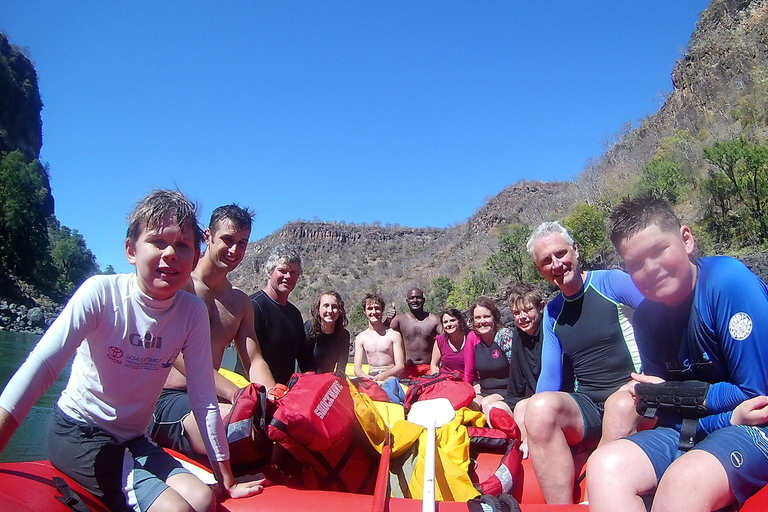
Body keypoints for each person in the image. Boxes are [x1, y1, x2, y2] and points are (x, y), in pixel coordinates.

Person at [0, 190, 263, 512]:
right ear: (130, 249)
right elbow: (41, 367)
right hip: (79, 432)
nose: (170, 254)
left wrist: (227, 479)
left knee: (203, 498)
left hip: (134, 439)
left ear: (195, 256)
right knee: (177, 509)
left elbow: (204, 399)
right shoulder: (102, 293)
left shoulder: (190, 311)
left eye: (182, 245)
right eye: (157, 241)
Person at [587, 196, 768, 512]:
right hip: (695, 427)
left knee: (682, 481)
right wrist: (670, 397)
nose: (650, 269)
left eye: (659, 251)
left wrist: (671, 394)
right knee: (606, 467)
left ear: (686, 239)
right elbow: (665, 405)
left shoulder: (727, 283)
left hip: (756, 428)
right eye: (635, 264)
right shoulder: (645, 318)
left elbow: (757, 397)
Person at [524, 220, 645, 504]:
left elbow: (661, 317)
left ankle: (593, 501)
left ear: (575, 251)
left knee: (620, 404)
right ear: (539, 270)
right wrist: (531, 422)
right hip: (589, 406)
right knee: (537, 408)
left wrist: (654, 375)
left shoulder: (611, 283)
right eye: (546, 261)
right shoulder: (553, 313)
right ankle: (561, 508)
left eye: (561, 253)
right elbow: (551, 378)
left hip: (635, 394)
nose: (556, 264)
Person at [149, 204, 276, 459]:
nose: (234, 250)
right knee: (240, 432)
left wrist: (273, 399)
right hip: (164, 398)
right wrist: (234, 393)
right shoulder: (180, 285)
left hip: (209, 398)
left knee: (277, 430)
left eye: (242, 243)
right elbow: (174, 353)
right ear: (207, 236)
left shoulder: (240, 303)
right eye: (227, 240)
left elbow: (254, 360)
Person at [250, 243, 316, 385]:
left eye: (294, 272)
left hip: (285, 395)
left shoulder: (294, 314)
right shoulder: (253, 307)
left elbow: (305, 360)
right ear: (269, 271)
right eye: (282, 271)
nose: (288, 276)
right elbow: (250, 359)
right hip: (256, 391)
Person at [464, 298, 515, 409]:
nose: (482, 321)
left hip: (507, 390)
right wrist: (466, 393)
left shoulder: (504, 336)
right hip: (484, 391)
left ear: (494, 318)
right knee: (468, 404)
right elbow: (469, 372)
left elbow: (517, 370)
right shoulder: (472, 338)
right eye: (478, 318)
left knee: (487, 404)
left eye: (486, 316)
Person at [390, 287, 441, 378]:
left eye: (418, 297)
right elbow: (383, 334)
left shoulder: (435, 320)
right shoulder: (399, 320)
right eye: (412, 298)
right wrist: (388, 319)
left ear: (423, 300)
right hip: (407, 368)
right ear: (407, 301)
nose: (415, 300)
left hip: (429, 367)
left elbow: (449, 337)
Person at [354, 293, 405, 381]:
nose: (374, 312)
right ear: (364, 311)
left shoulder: (393, 335)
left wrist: (385, 375)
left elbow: (400, 366)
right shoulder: (360, 338)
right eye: (370, 309)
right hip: (371, 377)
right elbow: (357, 370)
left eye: (377, 308)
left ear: (382, 311)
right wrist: (367, 377)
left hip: (391, 376)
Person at [304, 291, 350, 373]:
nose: (330, 310)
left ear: (340, 311)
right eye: (326, 306)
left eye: (334, 307)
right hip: (307, 380)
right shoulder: (309, 328)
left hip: (327, 382)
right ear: (318, 309)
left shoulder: (344, 335)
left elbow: (341, 369)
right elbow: (302, 360)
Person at [429, 307, 470, 378]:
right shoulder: (440, 340)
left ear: (460, 321)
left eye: (452, 320)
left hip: (468, 380)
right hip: (446, 382)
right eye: (445, 322)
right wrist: (436, 377)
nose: (449, 324)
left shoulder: (470, 338)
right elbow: (434, 365)